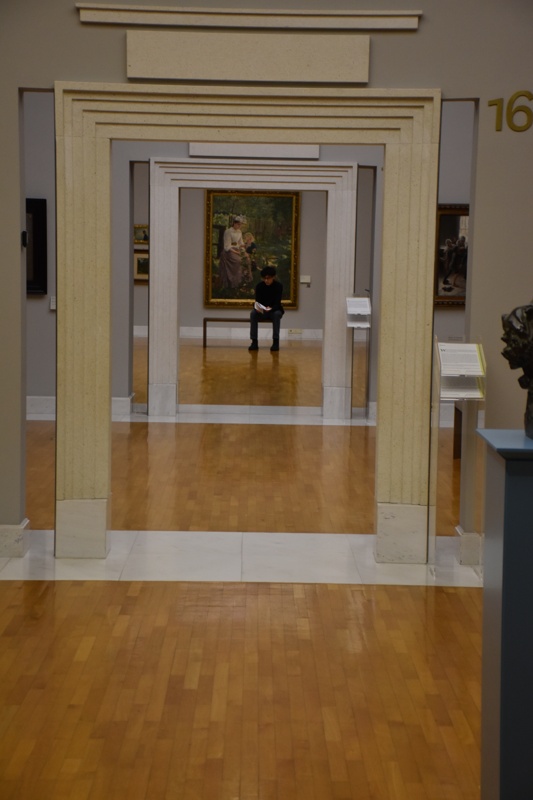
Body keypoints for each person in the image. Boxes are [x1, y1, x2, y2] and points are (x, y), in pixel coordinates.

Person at [248, 265, 284, 352]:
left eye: (268, 278)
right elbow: (257, 301)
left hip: (274, 310)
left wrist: (271, 308)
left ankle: (275, 341)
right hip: (262, 310)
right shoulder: (259, 286)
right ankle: (254, 341)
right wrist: (258, 308)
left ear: (273, 277)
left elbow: (277, 303)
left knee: (276, 314)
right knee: (253, 313)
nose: (266, 280)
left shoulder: (278, 286)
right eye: (264, 278)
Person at [218, 215, 246, 288]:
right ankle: (232, 281)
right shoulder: (228, 231)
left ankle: (242, 280)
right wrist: (236, 252)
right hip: (229, 251)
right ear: (234, 223)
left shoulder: (239, 231)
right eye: (238, 224)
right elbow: (227, 245)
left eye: (240, 225)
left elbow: (240, 242)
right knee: (238, 261)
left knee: (246, 259)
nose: (239, 226)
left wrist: (243, 247)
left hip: (237, 249)